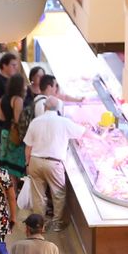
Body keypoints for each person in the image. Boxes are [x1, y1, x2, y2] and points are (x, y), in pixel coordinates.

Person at [22, 96, 83, 232]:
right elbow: (83, 133)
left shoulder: (35, 122)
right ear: (58, 109)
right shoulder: (64, 122)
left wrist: (27, 163)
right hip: (54, 164)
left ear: (44, 107)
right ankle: (56, 223)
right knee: (58, 194)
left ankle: (39, 224)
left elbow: (28, 147)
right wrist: (101, 136)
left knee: (38, 195)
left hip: (35, 161)